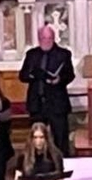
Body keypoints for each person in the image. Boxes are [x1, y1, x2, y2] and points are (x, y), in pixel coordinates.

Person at [18, 26, 75, 156]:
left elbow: (70, 75)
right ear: (39, 39)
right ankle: (37, 163)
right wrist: (33, 75)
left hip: (56, 103)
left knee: (60, 138)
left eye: (49, 38)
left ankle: (63, 164)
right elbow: (23, 75)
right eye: (44, 38)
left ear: (54, 38)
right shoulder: (32, 54)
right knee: (36, 137)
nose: (47, 41)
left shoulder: (63, 54)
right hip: (37, 103)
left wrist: (59, 79)